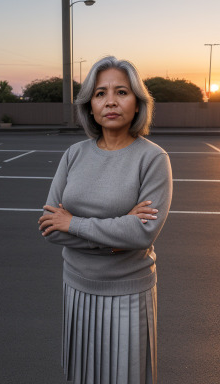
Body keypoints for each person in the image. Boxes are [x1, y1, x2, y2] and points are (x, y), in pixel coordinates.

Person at [38, 56, 172, 384]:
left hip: (128, 293)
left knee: (125, 377)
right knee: (84, 375)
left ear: (138, 104)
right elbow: (49, 226)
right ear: (90, 106)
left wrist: (75, 223)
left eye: (121, 91)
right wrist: (116, 232)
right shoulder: (74, 154)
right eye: (100, 93)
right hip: (77, 287)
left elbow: (142, 234)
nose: (110, 101)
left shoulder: (153, 158)